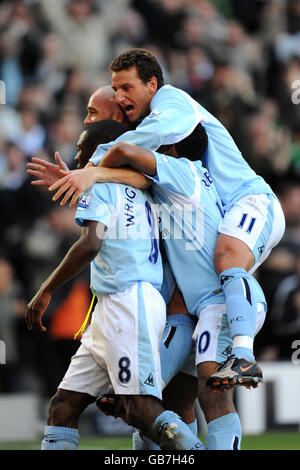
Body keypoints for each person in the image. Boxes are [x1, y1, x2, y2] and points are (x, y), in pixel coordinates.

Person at [49, 48, 285, 391]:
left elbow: (141, 145)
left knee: (227, 258)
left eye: (127, 87)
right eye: (116, 90)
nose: (121, 96)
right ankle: (153, 393)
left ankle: (244, 355)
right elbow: (143, 176)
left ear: (152, 85)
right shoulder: (149, 127)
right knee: (182, 310)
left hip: (250, 199)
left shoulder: (172, 103)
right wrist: (81, 174)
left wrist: (91, 169)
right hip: (214, 220)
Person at [25, 119, 206, 451]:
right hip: (115, 305)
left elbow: (91, 243)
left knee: (141, 408)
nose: (78, 161)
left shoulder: (101, 185)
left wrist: (45, 289)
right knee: (63, 406)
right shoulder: (142, 186)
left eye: (81, 152)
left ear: (99, 152)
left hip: (128, 302)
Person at [94, 123, 267, 450]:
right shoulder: (176, 189)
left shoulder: (184, 171)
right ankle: (140, 396)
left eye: (160, 144)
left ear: (172, 149)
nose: (154, 150)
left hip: (224, 304)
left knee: (211, 393)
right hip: (198, 309)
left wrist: (91, 171)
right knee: (171, 403)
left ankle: (241, 358)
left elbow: (130, 157)